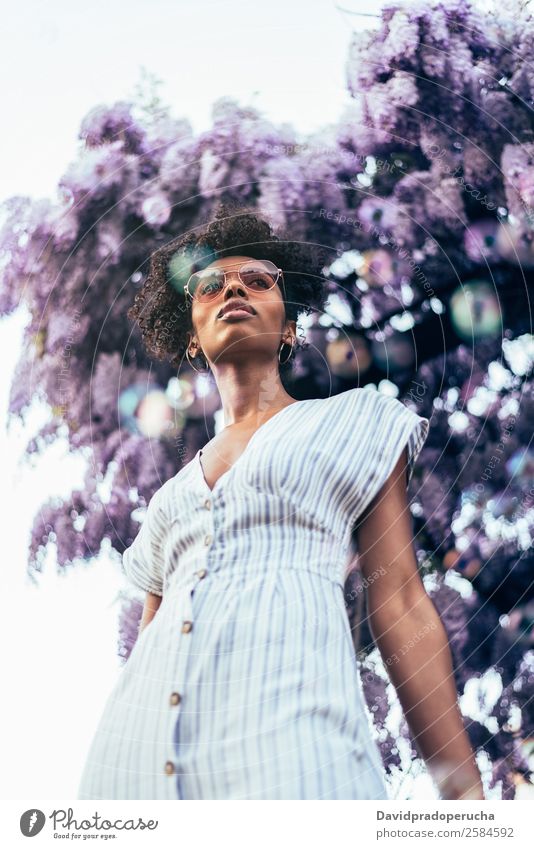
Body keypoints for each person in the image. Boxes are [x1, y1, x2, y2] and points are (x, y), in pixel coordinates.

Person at [77, 203, 484, 800]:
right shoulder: (169, 500)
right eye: (210, 286)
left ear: (288, 328)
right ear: (192, 338)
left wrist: (466, 802)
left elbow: (398, 597)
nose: (233, 288)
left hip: (294, 746)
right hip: (133, 771)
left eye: (258, 280)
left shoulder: (357, 420)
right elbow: (151, 640)